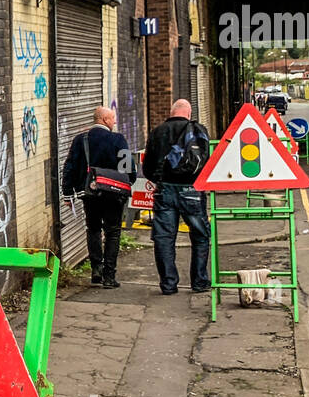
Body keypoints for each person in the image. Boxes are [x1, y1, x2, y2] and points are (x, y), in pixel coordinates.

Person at [142, 99, 211, 295]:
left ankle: (168, 284)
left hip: (165, 190)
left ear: (172, 112)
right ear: (188, 114)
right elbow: (206, 160)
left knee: (164, 237)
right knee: (200, 235)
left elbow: (147, 168)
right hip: (192, 189)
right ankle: (199, 281)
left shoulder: (158, 132)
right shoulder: (198, 130)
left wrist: (160, 179)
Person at [61, 106, 135, 289]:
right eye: (112, 118)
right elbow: (128, 168)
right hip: (114, 194)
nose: (115, 122)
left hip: (90, 193)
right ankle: (109, 277)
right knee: (113, 232)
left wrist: (67, 193)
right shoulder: (118, 139)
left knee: (93, 228)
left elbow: (69, 166)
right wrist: (128, 181)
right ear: (104, 120)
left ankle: (96, 269)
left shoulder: (81, 140)